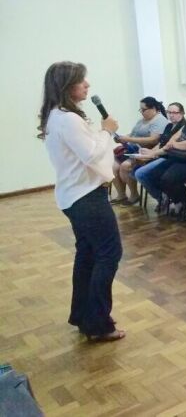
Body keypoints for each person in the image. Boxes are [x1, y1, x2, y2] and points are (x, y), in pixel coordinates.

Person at [39, 62, 125, 342]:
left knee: (87, 255)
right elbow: (90, 154)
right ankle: (99, 324)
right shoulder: (68, 119)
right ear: (66, 87)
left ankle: (84, 316)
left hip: (76, 196)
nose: (87, 84)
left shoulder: (58, 116)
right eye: (81, 81)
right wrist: (106, 131)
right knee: (108, 254)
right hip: (86, 198)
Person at [110, 97, 169, 206]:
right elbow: (132, 134)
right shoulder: (141, 121)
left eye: (144, 109)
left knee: (125, 166)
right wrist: (121, 137)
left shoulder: (160, 120)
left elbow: (153, 139)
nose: (141, 112)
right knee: (113, 167)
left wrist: (128, 139)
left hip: (146, 152)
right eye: (140, 110)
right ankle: (121, 194)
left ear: (154, 108)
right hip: (132, 149)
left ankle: (134, 195)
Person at [134, 102, 186, 211]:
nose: (171, 115)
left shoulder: (185, 127)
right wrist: (149, 152)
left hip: (170, 158)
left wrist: (153, 154)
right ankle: (164, 196)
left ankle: (162, 197)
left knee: (140, 173)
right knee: (133, 169)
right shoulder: (169, 126)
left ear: (181, 113)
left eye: (174, 112)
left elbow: (171, 148)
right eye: (169, 112)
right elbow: (161, 143)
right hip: (160, 154)